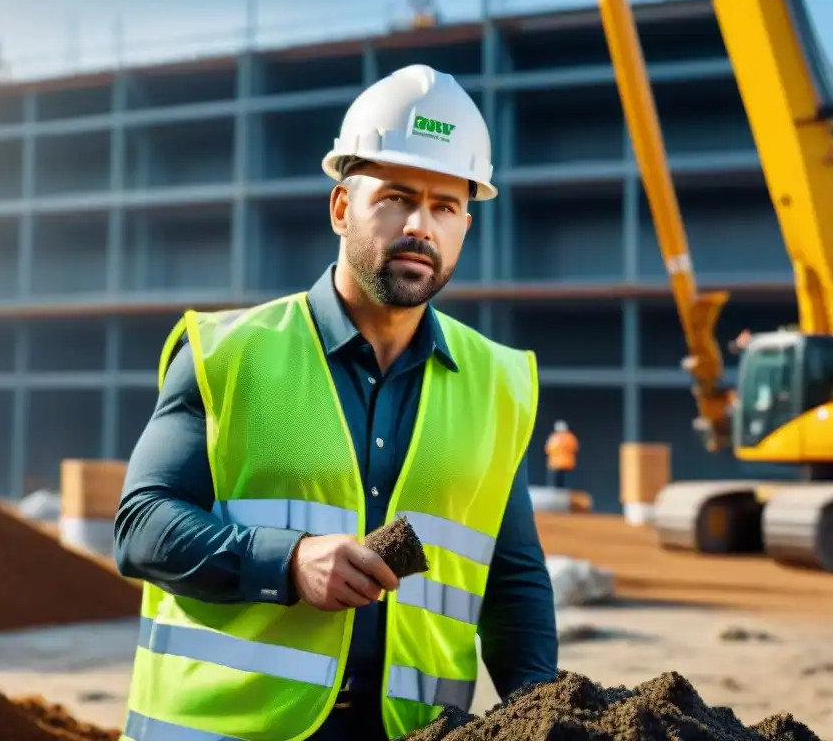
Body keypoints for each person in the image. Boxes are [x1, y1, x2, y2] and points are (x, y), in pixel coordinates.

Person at [114, 64, 558, 741]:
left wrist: (545, 715)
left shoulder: (499, 384)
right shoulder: (228, 353)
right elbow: (142, 525)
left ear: (467, 223)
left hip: (411, 732)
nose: (421, 226)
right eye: (397, 198)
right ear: (342, 207)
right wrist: (286, 561)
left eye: (445, 207)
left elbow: (514, 579)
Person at [545, 420, 579, 489]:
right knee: (562, 477)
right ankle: (561, 488)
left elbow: (548, 449)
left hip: (555, 462)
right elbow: (575, 448)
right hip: (566, 462)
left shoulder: (554, 437)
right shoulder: (570, 437)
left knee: (554, 477)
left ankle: (554, 488)